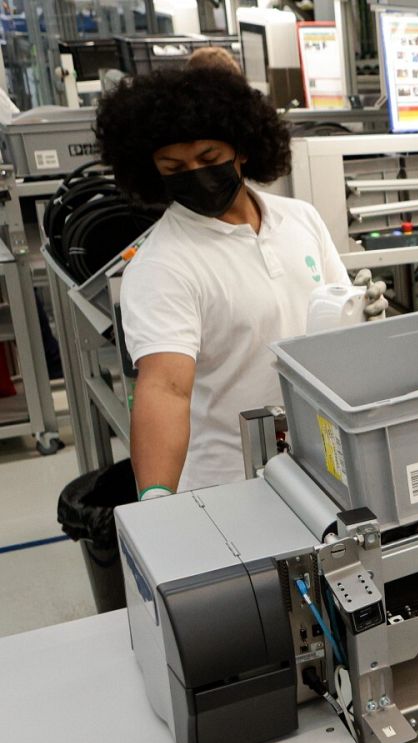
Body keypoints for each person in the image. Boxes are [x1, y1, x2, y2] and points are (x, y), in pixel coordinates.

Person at [94, 66, 378, 498]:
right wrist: (154, 499)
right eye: (174, 167)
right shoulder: (162, 266)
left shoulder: (300, 219)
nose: (196, 174)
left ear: (241, 149)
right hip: (229, 484)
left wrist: (362, 314)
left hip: (324, 462)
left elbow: (331, 326)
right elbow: (164, 388)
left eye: (209, 159)